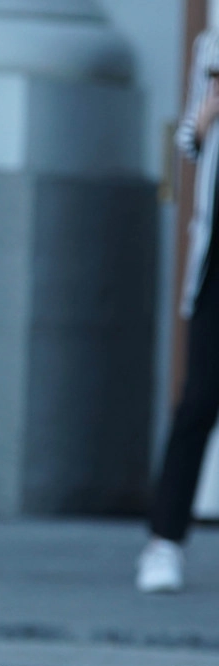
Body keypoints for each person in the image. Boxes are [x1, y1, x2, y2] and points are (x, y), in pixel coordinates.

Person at [136, 29, 219, 593]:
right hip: (215, 261)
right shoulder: (212, 46)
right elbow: (188, 140)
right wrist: (207, 115)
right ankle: (164, 543)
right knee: (198, 402)